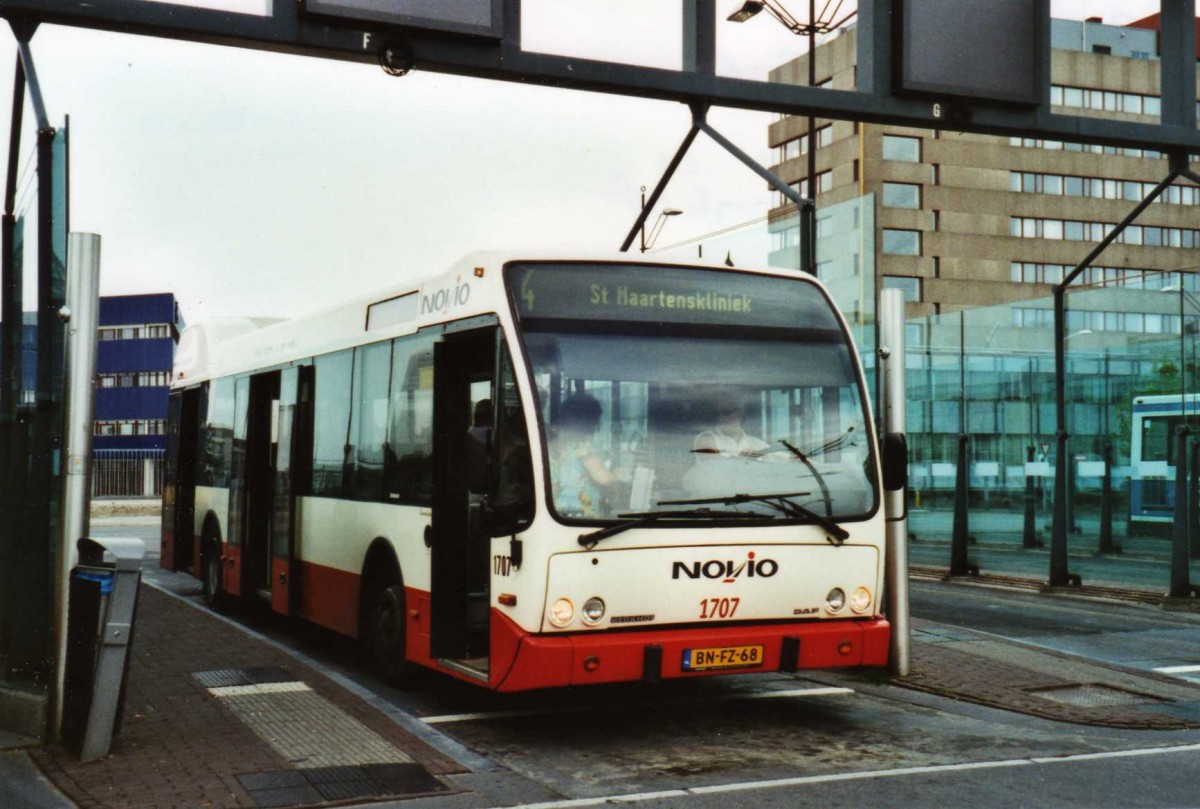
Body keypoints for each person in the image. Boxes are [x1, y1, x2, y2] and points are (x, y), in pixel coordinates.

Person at [550, 393, 618, 518]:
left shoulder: (554, 445)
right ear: (590, 422)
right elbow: (603, 478)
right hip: (582, 513)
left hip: (558, 510)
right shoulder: (584, 447)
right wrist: (617, 475)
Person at [693, 391, 768, 458]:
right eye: (719, 413)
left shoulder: (756, 443)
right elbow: (713, 467)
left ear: (740, 412)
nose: (723, 417)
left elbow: (778, 460)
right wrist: (741, 460)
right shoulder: (707, 439)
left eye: (728, 412)